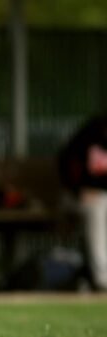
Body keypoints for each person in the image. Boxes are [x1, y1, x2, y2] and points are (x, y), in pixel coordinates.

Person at [59, 115, 107, 291]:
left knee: (101, 202)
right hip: (75, 198)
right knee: (98, 207)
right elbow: (65, 165)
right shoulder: (88, 136)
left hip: (102, 198)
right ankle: (102, 279)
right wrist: (79, 190)